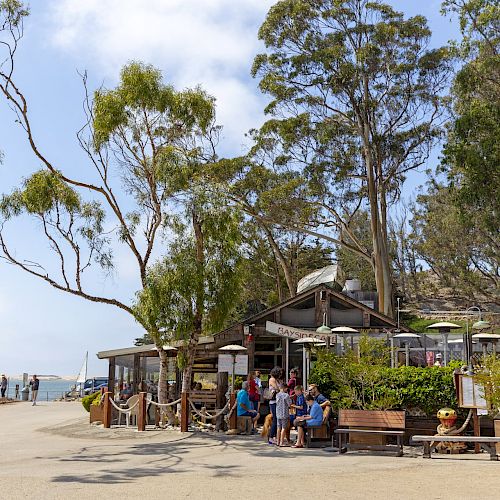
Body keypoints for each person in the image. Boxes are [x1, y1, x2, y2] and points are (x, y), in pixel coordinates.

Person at [266, 366, 284, 445]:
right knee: (275, 419)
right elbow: (277, 388)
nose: (280, 374)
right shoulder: (272, 379)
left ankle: (275, 437)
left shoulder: (277, 380)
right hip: (273, 401)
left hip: (277, 401)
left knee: (278, 419)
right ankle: (270, 437)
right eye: (279, 373)